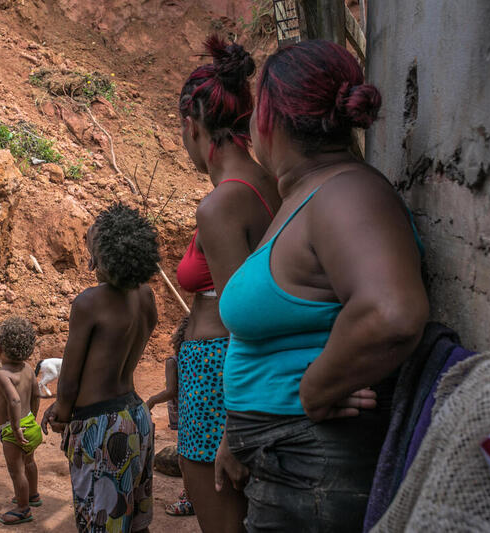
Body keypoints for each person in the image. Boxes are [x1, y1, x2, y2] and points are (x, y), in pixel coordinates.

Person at [215, 39, 429, 532]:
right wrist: (238, 433)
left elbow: (391, 312)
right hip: (288, 463)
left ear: (269, 118)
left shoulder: (345, 193)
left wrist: (315, 388)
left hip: (315, 466)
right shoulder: (307, 195)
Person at [174, 36, 280, 533]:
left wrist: (229, 432)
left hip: (217, 375)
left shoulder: (220, 205)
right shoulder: (270, 184)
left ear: (194, 126)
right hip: (235, 375)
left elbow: (244, 318)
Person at [41, 203, 159, 533]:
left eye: (90, 246)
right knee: (135, 523)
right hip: (136, 418)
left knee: (101, 524)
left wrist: (62, 412)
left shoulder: (90, 303)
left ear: (100, 257)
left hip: (101, 429)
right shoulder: (147, 297)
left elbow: (70, 378)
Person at [0, 317, 43, 525]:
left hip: (13, 431)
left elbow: (13, 399)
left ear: (2, 348)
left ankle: (23, 509)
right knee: (29, 462)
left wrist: (14, 427)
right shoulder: (29, 370)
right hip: (30, 424)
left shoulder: (2, 374)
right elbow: (36, 395)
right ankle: (33, 495)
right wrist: (31, 417)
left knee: (17, 471)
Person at [146, 315, 194, 517]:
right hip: (197, 412)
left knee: (184, 457)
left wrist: (151, 400)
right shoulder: (196, 357)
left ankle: (191, 496)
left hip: (184, 413)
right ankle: (193, 489)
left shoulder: (173, 361)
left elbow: (171, 391)